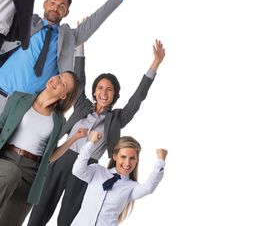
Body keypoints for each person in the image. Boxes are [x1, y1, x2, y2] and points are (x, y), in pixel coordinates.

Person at [27, 39, 165, 226]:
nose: (104, 93)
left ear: (115, 95)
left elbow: (137, 99)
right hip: (62, 159)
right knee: (41, 207)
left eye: (109, 90)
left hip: (86, 167)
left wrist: (155, 64)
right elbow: (79, 78)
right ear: (94, 92)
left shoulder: (118, 118)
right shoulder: (82, 105)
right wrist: (80, 47)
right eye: (100, 88)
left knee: (68, 217)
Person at [0, 0, 143, 115]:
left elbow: (98, 18)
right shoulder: (26, 22)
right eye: (52, 2)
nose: (56, 8)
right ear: (44, 4)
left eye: (62, 6)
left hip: (24, 109)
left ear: (66, 12)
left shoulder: (69, 38)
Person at [0, 71, 90, 226]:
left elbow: (48, 157)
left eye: (63, 83)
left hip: (31, 174)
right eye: (59, 76)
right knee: (11, 173)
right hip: (6, 159)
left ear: (63, 96)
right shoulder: (18, 98)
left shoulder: (58, 121)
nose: (57, 80)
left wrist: (73, 139)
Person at [71, 133, 168, 225]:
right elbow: (77, 170)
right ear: (115, 156)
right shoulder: (97, 171)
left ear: (137, 160)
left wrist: (161, 161)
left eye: (132, 158)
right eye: (123, 157)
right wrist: (91, 143)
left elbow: (149, 188)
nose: (127, 163)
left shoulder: (131, 187)